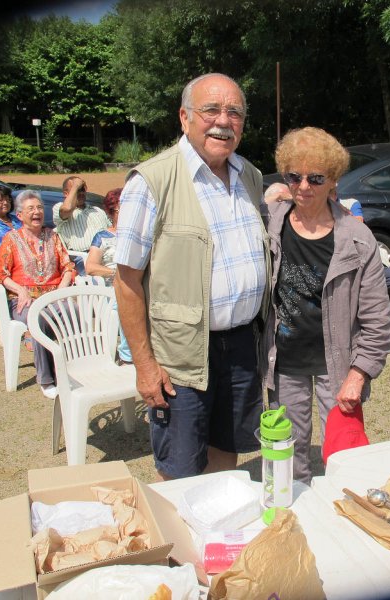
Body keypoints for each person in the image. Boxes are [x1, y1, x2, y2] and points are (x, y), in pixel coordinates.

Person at [113, 73, 269, 481]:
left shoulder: (249, 176)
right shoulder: (152, 181)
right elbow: (126, 280)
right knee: (180, 467)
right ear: (184, 118)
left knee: (227, 448)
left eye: (235, 112)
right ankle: (183, 545)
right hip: (179, 356)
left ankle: (217, 533)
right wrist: (145, 365)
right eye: (211, 110)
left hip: (239, 347)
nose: (224, 120)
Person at [263, 126, 390, 484]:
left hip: (337, 365)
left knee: (344, 454)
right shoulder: (272, 225)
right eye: (294, 176)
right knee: (288, 454)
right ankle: (293, 517)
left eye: (316, 178)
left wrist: (360, 372)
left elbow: (378, 319)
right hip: (285, 362)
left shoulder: (356, 236)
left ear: (333, 180)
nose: (303, 186)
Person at [265, 182, 390, 314]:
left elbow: (358, 226)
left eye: (331, 190)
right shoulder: (293, 215)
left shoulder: (349, 204)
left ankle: (378, 314)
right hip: (328, 267)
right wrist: (285, 196)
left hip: (356, 259)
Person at [0, 190, 75, 399]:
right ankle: (47, 379)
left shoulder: (53, 236)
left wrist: (62, 288)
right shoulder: (11, 239)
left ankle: (76, 369)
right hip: (24, 298)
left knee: (74, 310)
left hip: (54, 294)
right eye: (31, 209)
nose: (37, 212)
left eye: (39, 207)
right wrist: (20, 290)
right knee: (38, 317)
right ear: (19, 215)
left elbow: (68, 266)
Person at [84, 187, 133, 365]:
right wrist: (117, 273)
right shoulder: (102, 236)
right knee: (127, 304)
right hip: (112, 290)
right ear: (112, 211)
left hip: (137, 285)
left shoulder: (137, 234)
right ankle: (128, 356)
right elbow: (90, 267)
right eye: (122, 209)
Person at [52, 175, 110, 275]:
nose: (81, 192)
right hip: (82, 258)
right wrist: (76, 186)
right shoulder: (59, 208)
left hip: (106, 255)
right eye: (78, 190)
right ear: (66, 193)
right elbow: (66, 209)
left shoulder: (97, 211)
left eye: (83, 189)